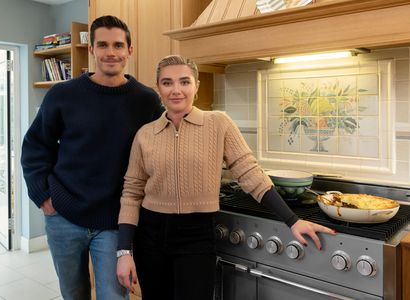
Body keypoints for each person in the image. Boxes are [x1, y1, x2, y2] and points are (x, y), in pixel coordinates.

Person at [115, 55, 336, 300]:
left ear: (196, 86)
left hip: (197, 235)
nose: (176, 90)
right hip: (150, 236)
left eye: (184, 82)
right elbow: (132, 193)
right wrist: (124, 251)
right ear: (158, 87)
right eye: (167, 83)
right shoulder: (145, 134)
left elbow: (249, 172)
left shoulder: (218, 123)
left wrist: (292, 220)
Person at [21, 15, 163, 300]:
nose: (111, 52)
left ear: (129, 51)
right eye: (103, 45)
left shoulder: (146, 100)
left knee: (113, 295)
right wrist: (44, 197)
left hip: (115, 222)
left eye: (118, 45)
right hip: (64, 216)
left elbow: (161, 149)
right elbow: (36, 145)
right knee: (73, 294)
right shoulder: (62, 95)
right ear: (92, 50)